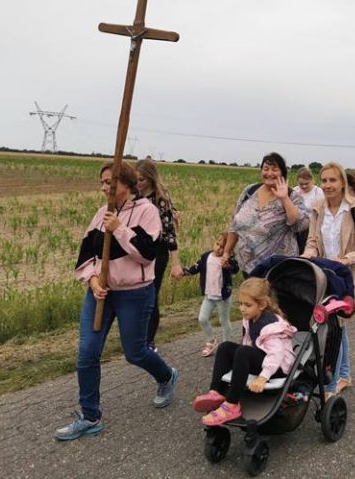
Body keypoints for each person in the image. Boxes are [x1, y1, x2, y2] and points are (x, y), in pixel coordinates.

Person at [55, 162, 178, 441]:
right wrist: (94, 281)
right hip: (101, 293)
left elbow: (148, 254)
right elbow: (86, 253)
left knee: (134, 353)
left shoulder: (147, 211)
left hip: (135, 293)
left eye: (109, 182)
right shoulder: (102, 213)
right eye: (102, 183)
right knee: (87, 353)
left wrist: (120, 228)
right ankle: (90, 416)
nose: (104, 188)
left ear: (127, 183)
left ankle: (167, 377)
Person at [302, 162, 355, 396]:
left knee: (336, 327)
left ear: (342, 182)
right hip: (324, 278)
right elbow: (313, 241)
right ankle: (344, 375)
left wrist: (345, 259)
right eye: (323, 181)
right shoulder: (317, 209)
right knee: (336, 328)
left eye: (332, 180)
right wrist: (306, 256)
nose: (327, 185)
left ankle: (331, 387)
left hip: (346, 278)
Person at [191, 278, 297, 426]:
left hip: (277, 367)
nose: (242, 308)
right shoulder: (250, 317)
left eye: (247, 305)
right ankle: (216, 392)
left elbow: (276, 354)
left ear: (262, 305)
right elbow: (248, 340)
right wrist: (240, 362)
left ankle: (232, 405)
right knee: (225, 347)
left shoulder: (271, 326)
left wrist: (263, 377)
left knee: (243, 352)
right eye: (240, 303)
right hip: (260, 357)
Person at [223, 152, 309, 276]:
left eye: (274, 169)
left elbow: (300, 224)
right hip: (249, 268)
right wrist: (227, 251)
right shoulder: (249, 191)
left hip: (278, 270)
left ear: (282, 173)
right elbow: (235, 224)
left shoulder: (292, 196)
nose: (269, 173)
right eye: (265, 169)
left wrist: (284, 198)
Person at [135, 158, 183, 353]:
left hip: (157, 251)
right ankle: (137, 335)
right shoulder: (133, 197)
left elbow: (170, 232)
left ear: (150, 179)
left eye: (141, 180)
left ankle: (149, 341)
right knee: (136, 293)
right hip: (136, 249)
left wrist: (176, 263)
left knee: (151, 294)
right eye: (135, 179)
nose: (137, 183)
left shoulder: (160, 199)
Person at [183, 233, 239, 357]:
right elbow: (195, 268)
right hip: (209, 295)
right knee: (202, 319)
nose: (218, 248)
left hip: (222, 297)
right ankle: (211, 341)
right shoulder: (205, 257)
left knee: (223, 320)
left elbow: (235, 269)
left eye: (222, 247)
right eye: (217, 244)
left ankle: (226, 345)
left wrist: (228, 265)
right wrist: (183, 272)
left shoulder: (228, 259)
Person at [295, 167, 324, 254]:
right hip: (297, 228)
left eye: (306, 183)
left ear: (312, 180)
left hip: (312, 229)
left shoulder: (318, 192)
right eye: (301, 184)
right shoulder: (295, 191)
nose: (303, 186)